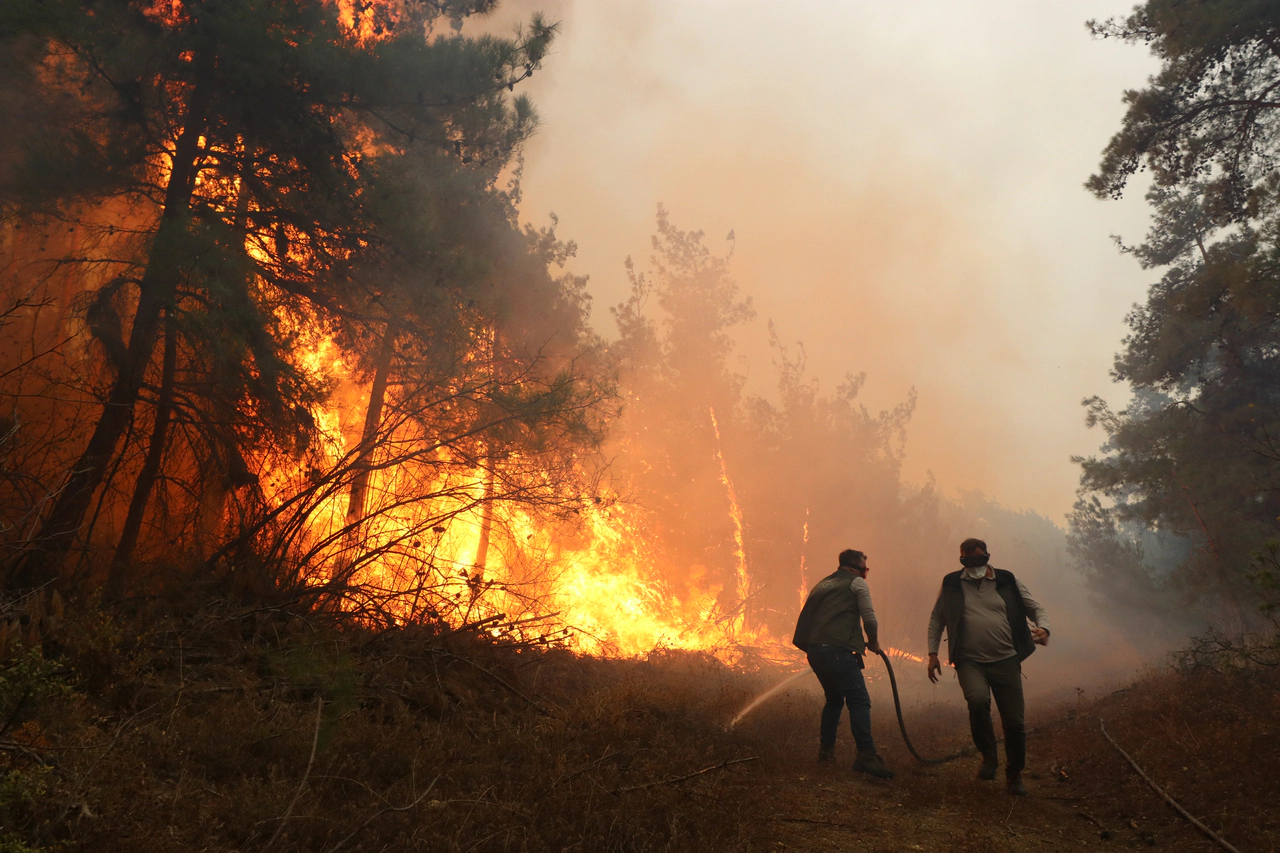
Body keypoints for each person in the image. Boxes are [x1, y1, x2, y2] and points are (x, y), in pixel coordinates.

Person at [926, 538, 1050, 796]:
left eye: (978, 560)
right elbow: (937, 619)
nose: (974, 565)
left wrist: (1043, 627)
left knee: (1014, 721)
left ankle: (1014, 773)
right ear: (961, 560)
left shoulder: (1006, 580)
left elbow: (1034, 607)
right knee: (977, 700)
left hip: (1006, 659)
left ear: (987, 557)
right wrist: (932, 653)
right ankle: (989, 756)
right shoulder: (952, 583)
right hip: (970, 661)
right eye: (967, 561)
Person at [792, 549, 894, 779]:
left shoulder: (822, 585)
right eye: (864, 570)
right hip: (838, 651)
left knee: (835, 700)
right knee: (859, 700)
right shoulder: (856, 583)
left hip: (817, 651)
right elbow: (869, 617)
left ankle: (826, 755)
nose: (864, 575)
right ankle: (866, 755)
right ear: (852, 568)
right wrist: (874, 642)